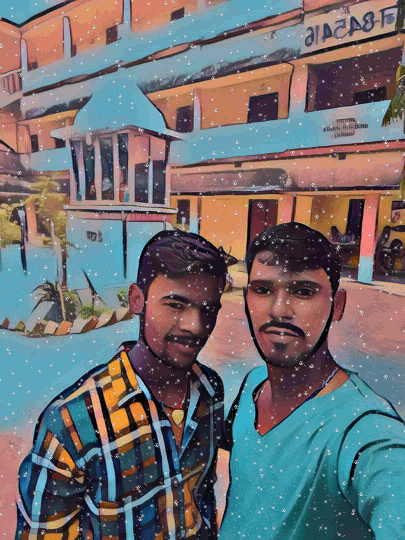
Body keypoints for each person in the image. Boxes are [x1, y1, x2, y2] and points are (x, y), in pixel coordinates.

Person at [16, 229, 229, 540]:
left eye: (207, 310)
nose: (195, 326)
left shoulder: (210, 390)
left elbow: (202, 497)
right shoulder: (72, 421)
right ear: (137, 299)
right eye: (175, 305)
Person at [217, 222, 405, 539]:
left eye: (303, 291)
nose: (279, 310)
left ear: (337, 305)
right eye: (263, 290)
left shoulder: (365, 431)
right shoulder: (253, 385)